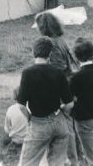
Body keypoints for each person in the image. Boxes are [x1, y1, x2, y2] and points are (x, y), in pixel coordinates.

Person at [16, 37, 74, 166]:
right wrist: (61, 113)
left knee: (27, 163)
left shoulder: (27, 73)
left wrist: (29, 118)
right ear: (50, 54)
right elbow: (70, 104)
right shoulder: (58, 73)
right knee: (57, 163)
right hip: (59, 122)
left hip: (38, 123)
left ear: (33, 52)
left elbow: (20, 105)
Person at [69, 39, 93, 166]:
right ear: (92, 53)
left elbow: (69, 96)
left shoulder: (77, 77)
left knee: (92, 153)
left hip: (83, 116)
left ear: (76, 56)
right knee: (90, 144)